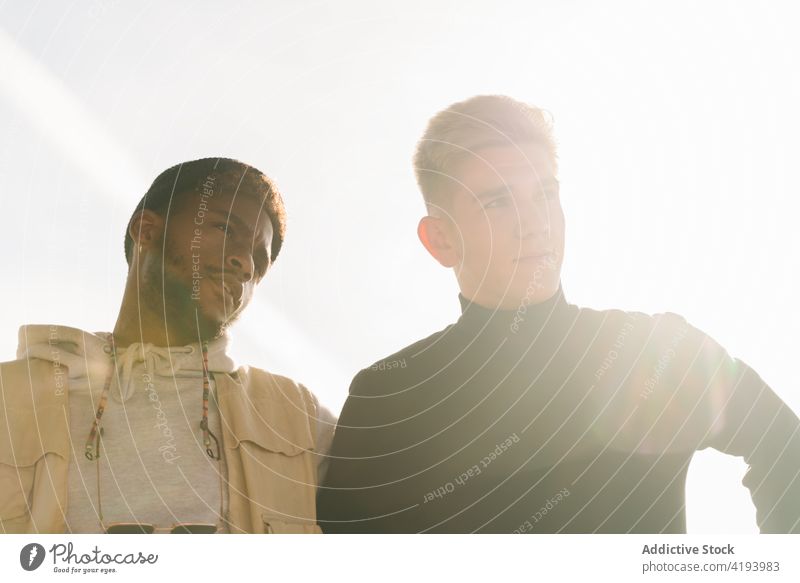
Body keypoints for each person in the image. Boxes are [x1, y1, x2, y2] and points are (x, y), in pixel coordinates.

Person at [317, 95, 800, 533]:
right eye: (498, 202)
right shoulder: (387, 396)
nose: (536, 224)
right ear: (440, 240)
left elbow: (787, 448)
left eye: (545, 194)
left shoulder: (655, 350)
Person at [0, 157, 335, 533]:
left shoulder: (297, 419)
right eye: (226, 229)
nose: (246, 264)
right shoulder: (11, 397)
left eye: (260, 260)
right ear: (145, 230)